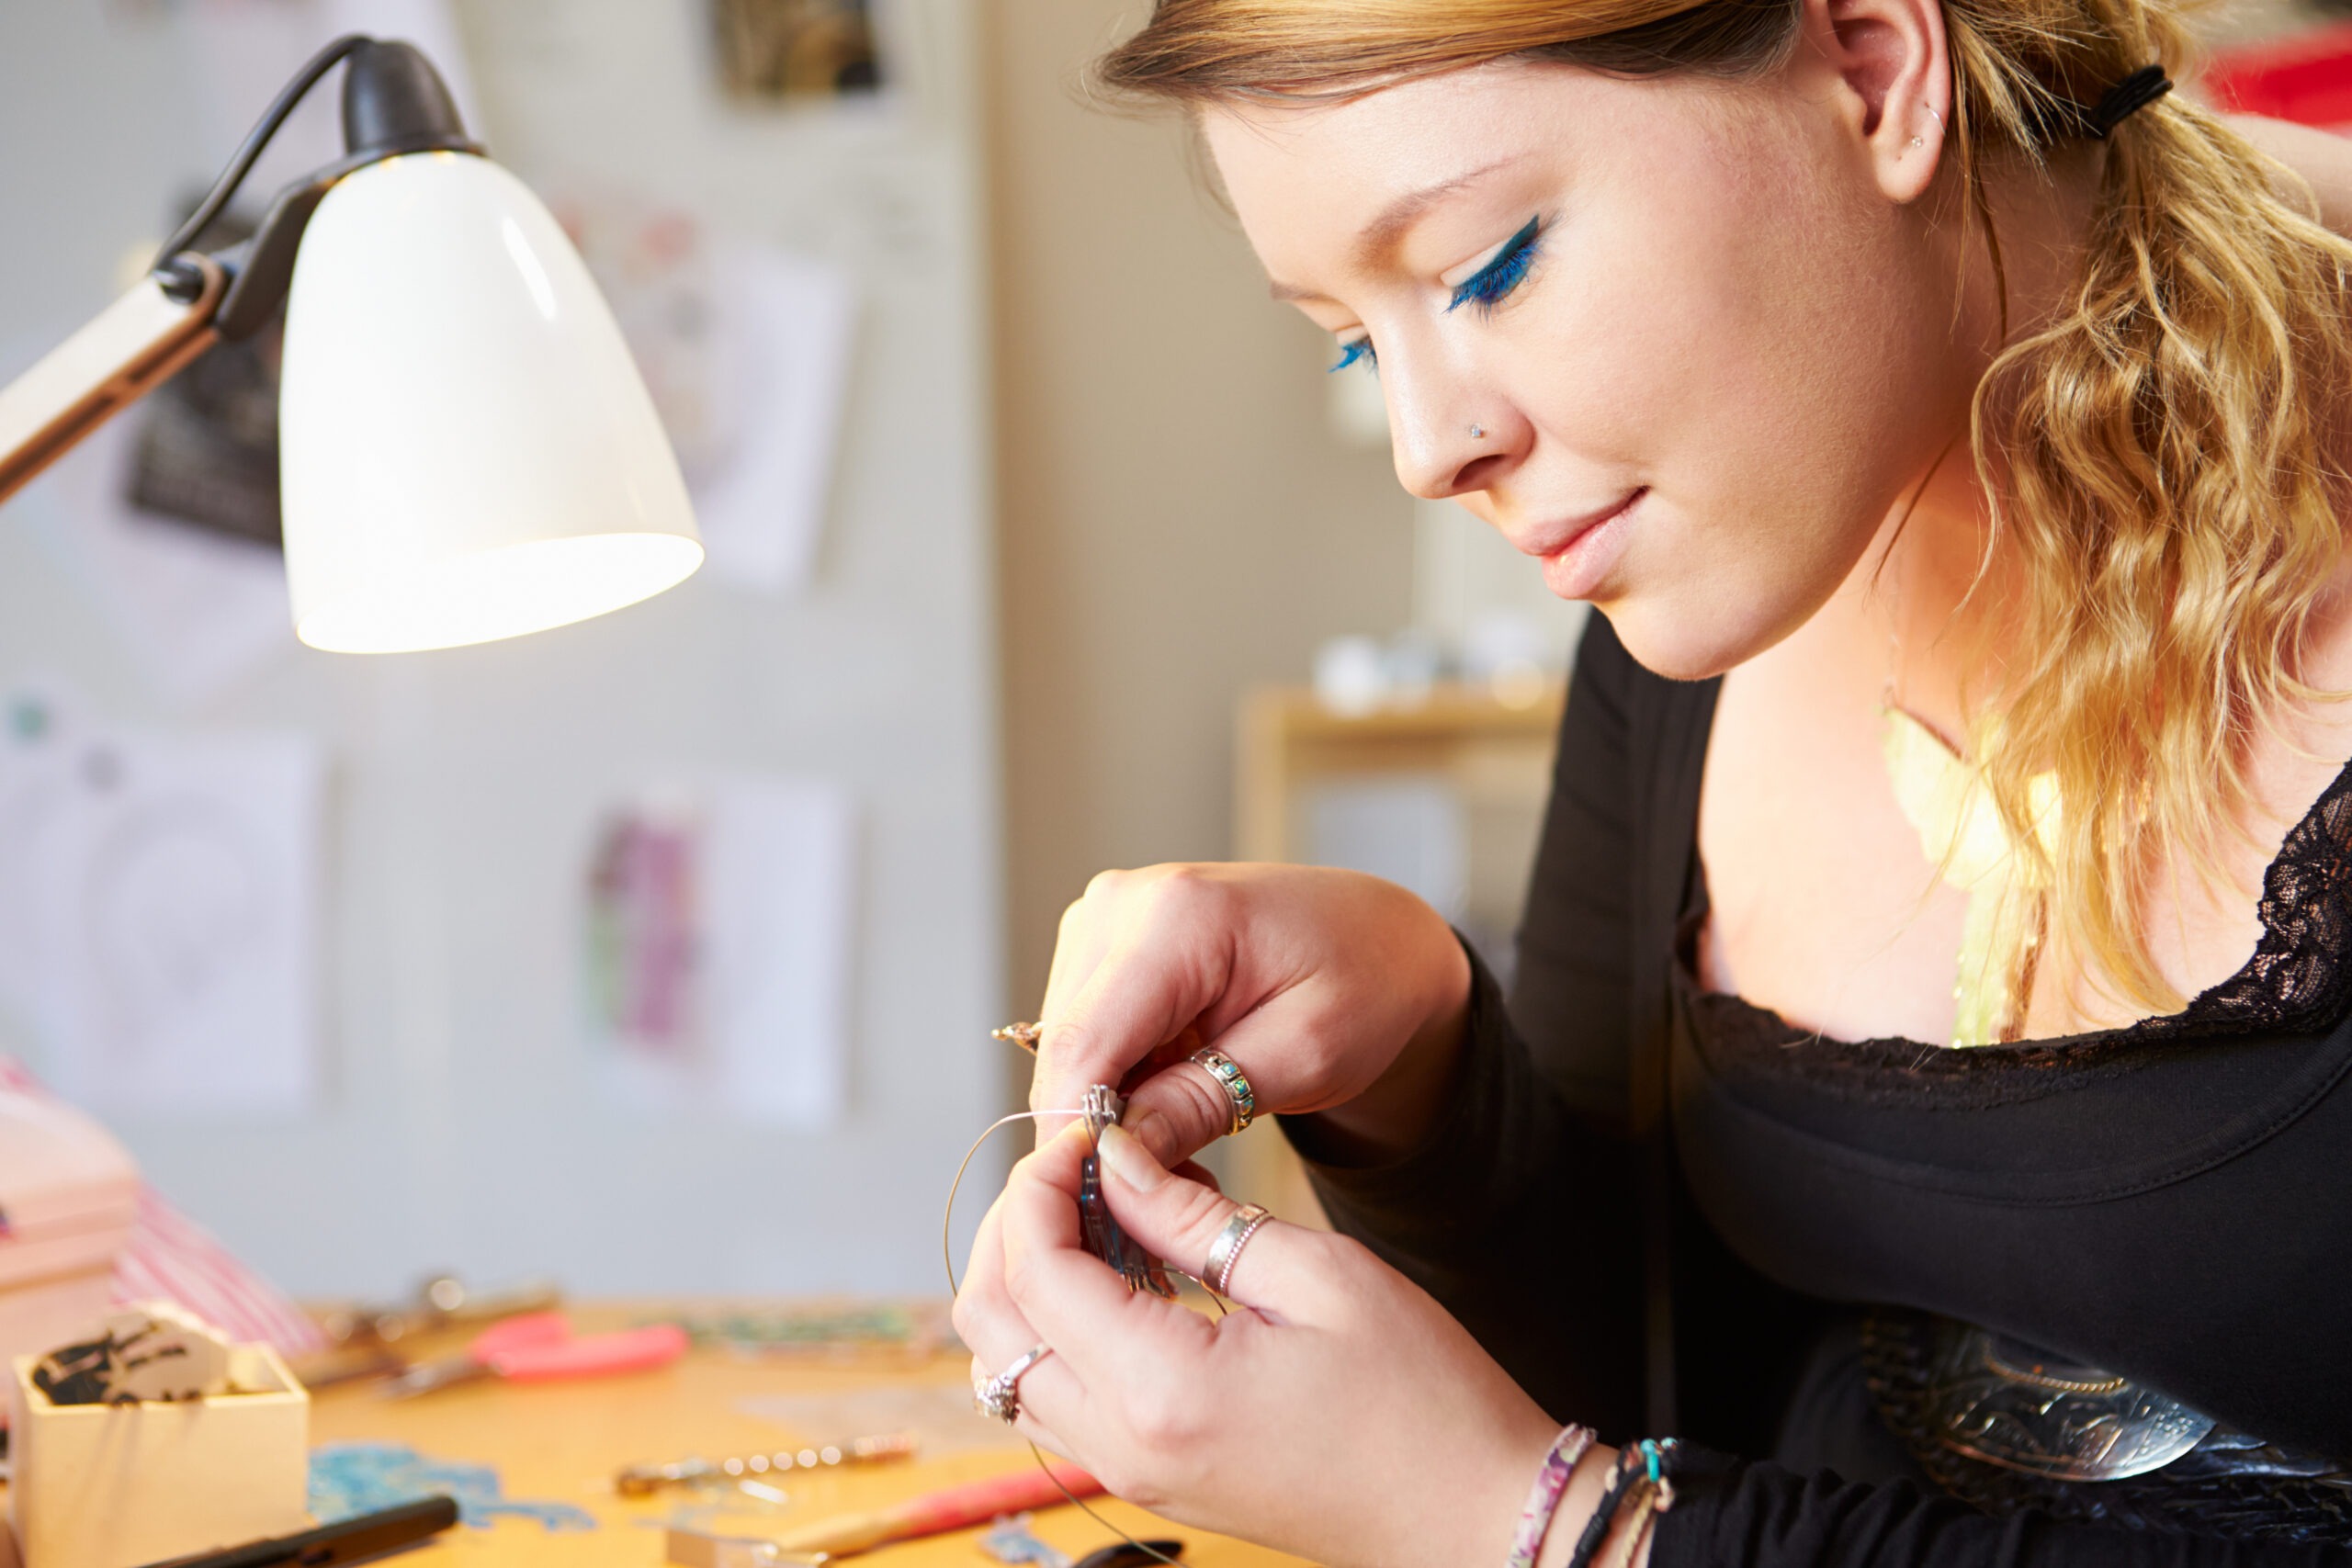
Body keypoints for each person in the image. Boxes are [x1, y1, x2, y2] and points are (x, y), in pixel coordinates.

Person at [953, 0, 2352, 1562]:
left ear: (1875, 68)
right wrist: (1426, 1068)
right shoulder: (1710, 560)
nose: (1427, 448)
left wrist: (1546, 1529)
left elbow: (1585, 1490)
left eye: (1489, 267)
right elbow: (1654, 1389)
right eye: (1353, 336)